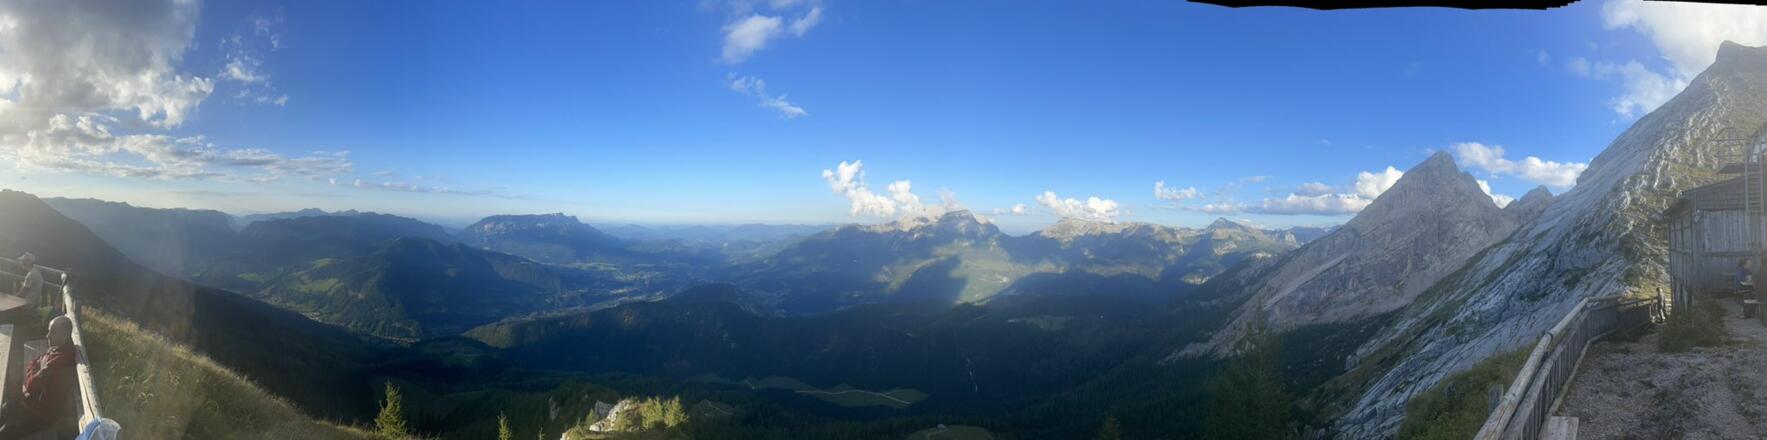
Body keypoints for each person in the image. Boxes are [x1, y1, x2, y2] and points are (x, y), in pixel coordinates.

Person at [0, 315, 76, 437]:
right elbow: (35, 361)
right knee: (6, 407)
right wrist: (35, 370)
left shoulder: (59, 360)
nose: (47, 336)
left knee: (6, 431)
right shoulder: (59, 347)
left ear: (65, 336)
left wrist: (33, 371)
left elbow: (31, 385)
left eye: (53, 333)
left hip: (43, 415)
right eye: (49, 331)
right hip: (33, 401)